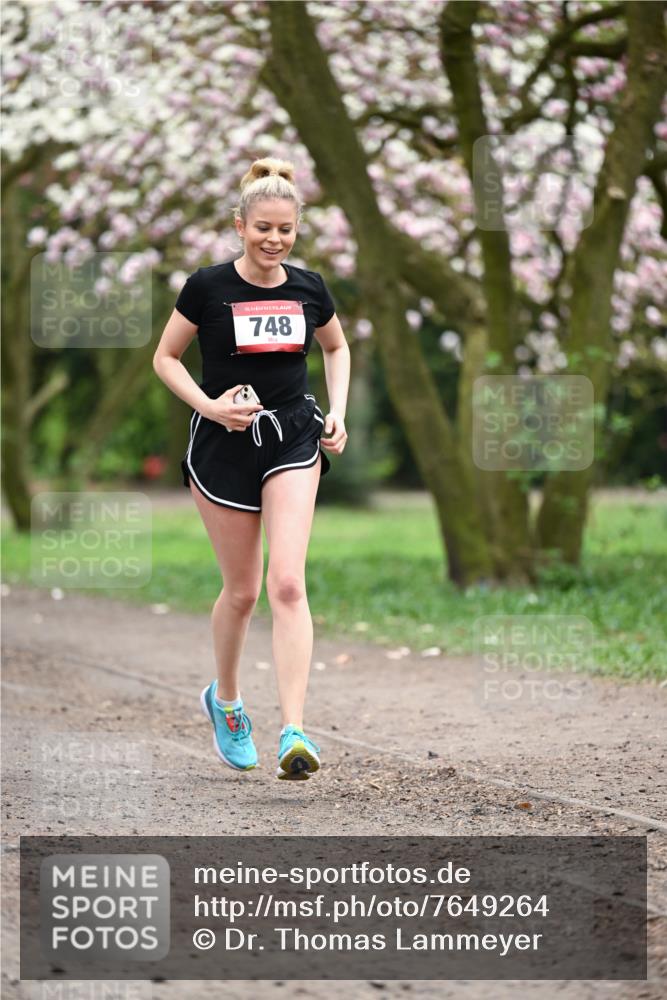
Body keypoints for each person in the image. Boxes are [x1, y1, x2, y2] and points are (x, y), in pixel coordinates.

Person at [152, 157, 350, 780]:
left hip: (293, 436)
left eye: (285, 229)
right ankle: (228, 703)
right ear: (240, 225)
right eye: (263, 227)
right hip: (224, 444)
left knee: (287, 583)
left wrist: (338, 412)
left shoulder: (309, 288)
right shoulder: (207, 287)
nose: (274, 239)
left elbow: (336, 346)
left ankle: (294, 730)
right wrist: (210, 406)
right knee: (242, 592)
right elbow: (165, 357)